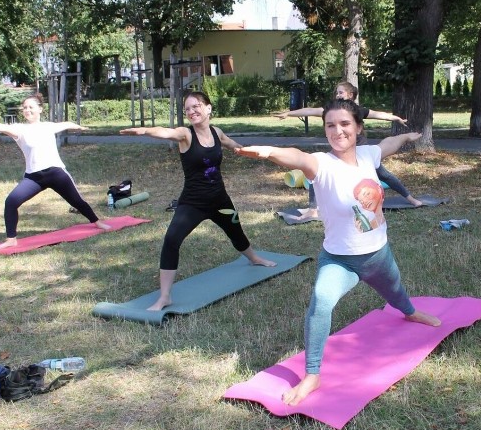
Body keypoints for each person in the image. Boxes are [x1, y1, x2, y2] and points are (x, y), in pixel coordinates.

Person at [237, 99, 441, 405]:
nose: (338, 130)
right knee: (321, 301)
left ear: (358, 128)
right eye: (330, 125)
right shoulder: (321, 164)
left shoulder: (368, 155)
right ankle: (312, 375)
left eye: (345, 124)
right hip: (339, 260)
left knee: (396, 293)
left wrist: (406, 137)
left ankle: (410, 313)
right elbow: (297, 157)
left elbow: (389, 144)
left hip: (378, 255)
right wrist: (269, 152)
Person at [120, 91, 275, 311]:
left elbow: (228, 142)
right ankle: (165, 296)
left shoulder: (216, 132)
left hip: (220, 199)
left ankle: (254, 258)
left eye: (196, 106)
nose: (192, 111)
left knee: (235, 230)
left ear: (209, 108)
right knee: (172, 239)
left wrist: (242, 150)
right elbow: (166, 132)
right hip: (193, 202)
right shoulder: (186, 134)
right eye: (188, 109)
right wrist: (145, 130)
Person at [0, 93, 110, 249]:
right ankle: (11, 239)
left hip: (56, 173)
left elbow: (66, 123)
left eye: (31, 107)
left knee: (77, 201)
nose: (27, 110)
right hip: (33, 178)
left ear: (40, 109)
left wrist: (78, 126)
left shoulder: (48, 126)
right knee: (11, 202)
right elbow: (0, 126)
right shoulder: (19, 129)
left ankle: (97, 222)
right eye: (24, 108)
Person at [274, 81, 425, 219]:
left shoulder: (358, 111)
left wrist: (396, 118)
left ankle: (411, 199)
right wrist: (289, 113)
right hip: (341, 154)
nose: (337, 95)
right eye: (337, 93)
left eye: (341, 92)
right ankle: (313, 209)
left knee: (385, 176)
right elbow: (309, 111)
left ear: (350, 95)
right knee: (315, 175)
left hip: (362, 153)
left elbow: (379, 115)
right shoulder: (331, 110)